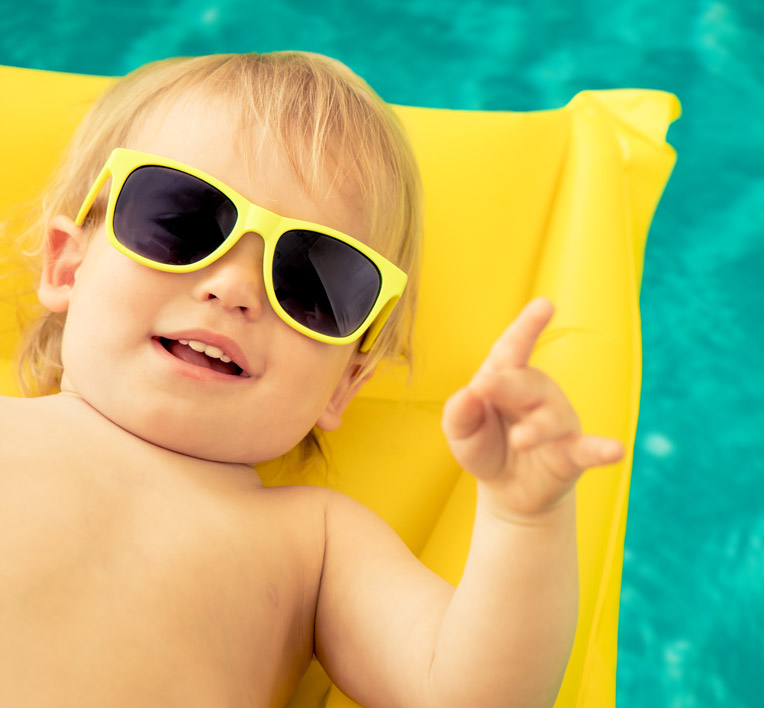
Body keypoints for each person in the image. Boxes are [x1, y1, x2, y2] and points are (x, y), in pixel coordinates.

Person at [0, 51, 624, 707]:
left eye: (310, 281)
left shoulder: (316, 545)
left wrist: (524, 518)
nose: (235, 288)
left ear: (344, 384)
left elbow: (470, 696)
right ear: (67, 268)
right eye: (182, 225)